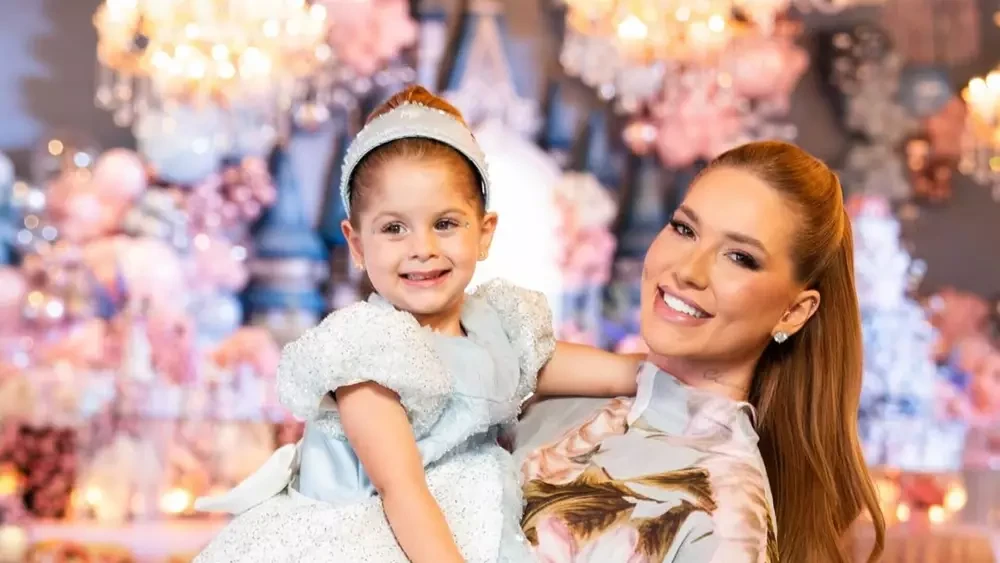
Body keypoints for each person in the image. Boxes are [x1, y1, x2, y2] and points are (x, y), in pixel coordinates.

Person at [192, 85, 641, 563]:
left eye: (445, 223)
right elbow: (400, 490)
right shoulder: (368, 351)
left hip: (458, 520)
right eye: (394, 228)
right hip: (368, 535)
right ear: (357, 244)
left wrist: (661, 368)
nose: (422, 248)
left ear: (483, 232)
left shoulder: (498, 328)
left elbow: (586, 369)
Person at [514, 141, 887, 563]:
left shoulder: (729, 524)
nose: (689, 270)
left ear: (794, 312)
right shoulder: (564, 392)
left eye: (740, 257)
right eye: (684, 229)